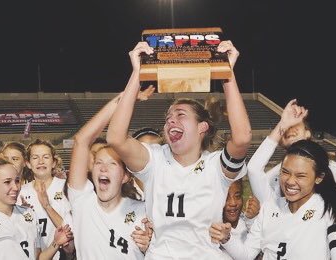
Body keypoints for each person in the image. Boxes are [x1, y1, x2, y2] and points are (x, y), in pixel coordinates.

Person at [107, 41, 252, 259]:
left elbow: (241, 138)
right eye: (168, 118)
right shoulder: (155, 160)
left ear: (202, 127)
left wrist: (227, 73)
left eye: (181, 115)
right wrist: (137, 74)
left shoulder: (215, 166)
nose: (171, 120)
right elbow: (116, 138)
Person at [247, 99, 336, 252]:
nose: (289, 129)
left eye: (295, 125)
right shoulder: (278, 174)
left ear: (307, 133)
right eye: (286, 128)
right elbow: (254, 170)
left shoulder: (326, 165)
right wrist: (282, 124)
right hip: (317, 238)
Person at [223, 140, 336, 259]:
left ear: (319, 177)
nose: (290, 181)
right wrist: (226, 238)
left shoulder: (332, 211)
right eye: (285, 172)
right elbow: (246, 255)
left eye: (300, 176)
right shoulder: (269, 208)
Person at [67, 86, 155, 259]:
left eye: (112, 164)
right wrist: (124, 98)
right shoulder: (82, 201)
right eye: (98, 162)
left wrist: (149, 248)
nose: (103, 168)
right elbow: (81, 140)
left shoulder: (143, 210)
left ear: (125, 176)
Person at [0, 157, 72, 260]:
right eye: (7, 182)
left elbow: (38, 257)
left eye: (17, 180)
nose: (15, 187)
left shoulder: (28, 213)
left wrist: (56, 242)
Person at [20, 139, 75, 259]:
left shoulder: (67, 188)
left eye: (46, 157)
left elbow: (70, 230)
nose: (40, 161)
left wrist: (47, 206)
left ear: (54, 162)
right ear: (28, 163)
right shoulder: (21, 193)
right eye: (35, 157)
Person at [218, 179, 260, 258]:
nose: (233, 203)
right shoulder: (210, 228)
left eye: (237, 196)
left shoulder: (249, 222)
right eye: (226, 198)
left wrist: (251, 220)